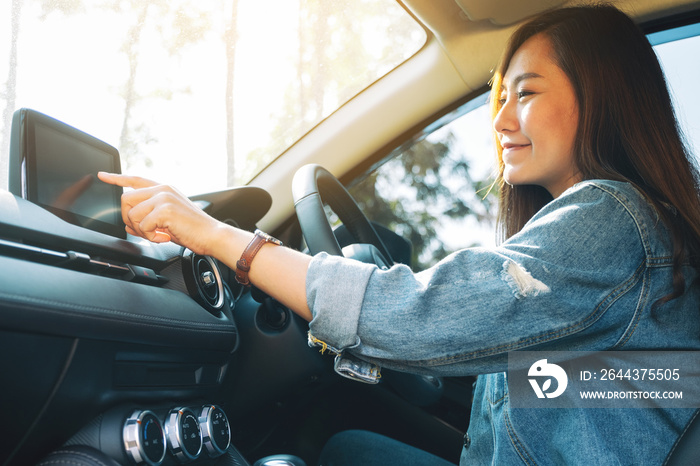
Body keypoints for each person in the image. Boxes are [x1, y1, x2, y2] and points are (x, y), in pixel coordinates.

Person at [99, 4, 700, 465]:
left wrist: (216, 236)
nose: (500, 119)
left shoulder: (610, 217)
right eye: (501, 95)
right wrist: (415, 356)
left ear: (600, 99)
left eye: (527, 93)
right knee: (349, 445)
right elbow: (568, 384)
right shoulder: (642, 231)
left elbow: (418, 315)